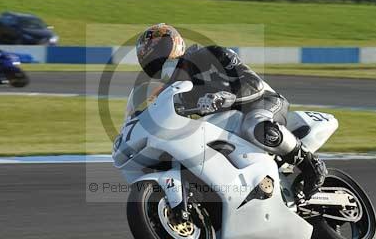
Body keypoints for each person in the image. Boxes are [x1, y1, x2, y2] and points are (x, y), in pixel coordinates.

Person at [135, 23, 327, 196]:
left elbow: (254, 83)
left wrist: (227, 97)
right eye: (151, 58)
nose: (157, 59)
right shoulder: (172, 90)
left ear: (175, 43)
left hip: (262, 101)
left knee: (256, 125)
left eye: (160, 50)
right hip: (227, 123)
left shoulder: (209, 54)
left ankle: (311, 165)